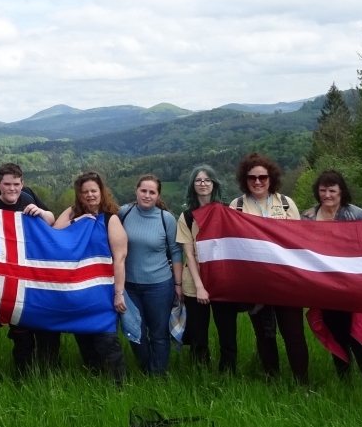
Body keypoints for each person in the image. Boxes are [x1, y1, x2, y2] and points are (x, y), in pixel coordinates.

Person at [229, 152, 310, 384]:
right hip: (256, 283)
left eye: (262, 177)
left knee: (293, 334)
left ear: (271, 178)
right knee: (265, 335)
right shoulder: (237, 205)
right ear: (244, 180)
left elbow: (299, 239)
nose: (257, 182)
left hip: (286, 280)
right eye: (251, 177)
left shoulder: (286, 203)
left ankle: (302, 383)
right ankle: (272, 381)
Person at [302, 169, 362, 392]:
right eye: (322, 190)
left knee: (359, 336)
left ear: (341, 191)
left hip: (353, 287)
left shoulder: (357, 215)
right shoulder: (307, 217)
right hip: (325, 289)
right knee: (336, 338)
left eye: (332, 190)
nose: (327, 194)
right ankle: (345, 383)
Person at [53, 171, 128, 383]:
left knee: (106, 339)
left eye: (93, 191)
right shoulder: (72, 212)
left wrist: (118, 293)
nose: (90, 195)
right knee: (84, 338)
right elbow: (55, 234)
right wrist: (79, 220)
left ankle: (118, 384)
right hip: (78, 290)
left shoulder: (110, 218)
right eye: (85, 192)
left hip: (102, 291)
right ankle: (94, 379)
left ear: (101, 192)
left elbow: (120, 259)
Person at [0, 163, 59, 376]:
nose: (12, 189)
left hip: (39, 275)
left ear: (22, 184)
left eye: (16, 184)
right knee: (21, 334)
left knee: (47, 330)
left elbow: (52, 221)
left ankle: (49, 374)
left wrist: (40, 212)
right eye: (7, 184)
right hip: (14, 279)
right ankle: (23, 378)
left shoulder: (29, 197)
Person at [176, 165, 244, 372]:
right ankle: (200, 374)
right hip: (194, 283)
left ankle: (228, 373)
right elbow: (189, 254)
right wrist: (199, 287)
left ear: (214, 183)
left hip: (222, 280)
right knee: (198, 335)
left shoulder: (228, 212)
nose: (203, 184)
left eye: (207, 180)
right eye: (198, 180)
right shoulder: (186, 217)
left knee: (227, 333)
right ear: (192, 185)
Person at [116, 174, 182, 379]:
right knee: (135, 333)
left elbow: (176, 251)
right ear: (136, 191)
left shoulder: (166, 219)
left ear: (158, 195)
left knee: (159, 334)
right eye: (143, 191)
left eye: (152, 192)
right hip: (129, 286)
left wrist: (178, 284)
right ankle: (146, 369)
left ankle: (157, 377)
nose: (146, 195)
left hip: (159, 285)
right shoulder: (123, 214)